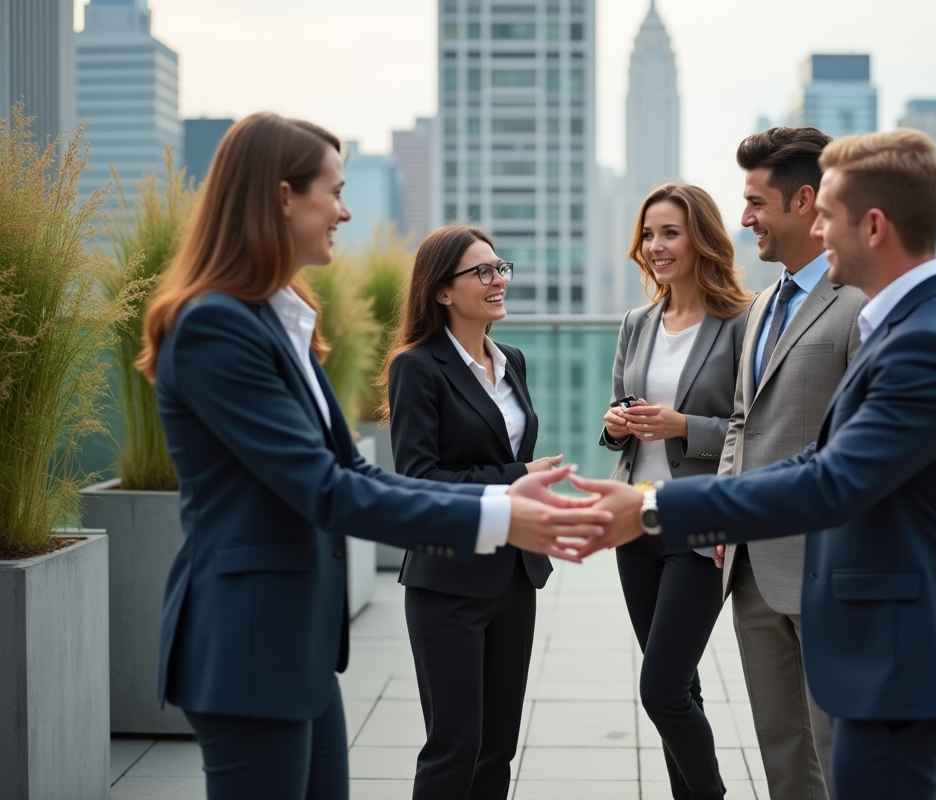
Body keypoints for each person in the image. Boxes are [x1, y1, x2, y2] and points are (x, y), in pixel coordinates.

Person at [136, 113, 609, 800]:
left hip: (295, 641)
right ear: (280, 197)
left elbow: (354, 471)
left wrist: (501, 503)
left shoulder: (279, 316)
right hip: (247, 641)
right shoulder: (216, 325)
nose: (345, 209)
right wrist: (500, 514)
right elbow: (325, 488)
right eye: (333, 190)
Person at [574, 129, 936, 800]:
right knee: (788, 766)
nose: (820, 231)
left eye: (827, 214)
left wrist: (658, 507)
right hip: (768, 573)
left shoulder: (922, 339)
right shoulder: (787, 308)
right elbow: (761, 429)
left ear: (873, 224)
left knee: (846, 773)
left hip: (875, 620)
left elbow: (834, 476)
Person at [712, 126, 865, 800]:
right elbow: (744, 421)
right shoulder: (760, 306)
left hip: (828, 571)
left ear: (805, 202)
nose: (744, 220)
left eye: (755, 203)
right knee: (781, 752)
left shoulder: (859, 306)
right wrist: (719, 513)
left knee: (842, 751)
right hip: (750, 569)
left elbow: (860, 447)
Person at [381, 225, 560, 800]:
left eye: (499, 267)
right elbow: (418, 480)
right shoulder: (417, 367)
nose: (497, 279)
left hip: (515, 573)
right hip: (448, 579)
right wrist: (517, 480)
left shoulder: (513, 360)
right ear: (441, 291)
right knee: (454, 745)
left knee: (497, 748)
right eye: (481, 272)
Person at [599, 183, 752, 800]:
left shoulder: (742, 321)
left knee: (660, 689)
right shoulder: (637, 323)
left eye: (670, 232)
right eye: (648, 233)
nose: (655, 246)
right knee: (680, 688)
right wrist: (615, 424)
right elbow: (620, 416)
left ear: (702, 239)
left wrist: (684, 426)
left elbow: (752, 427)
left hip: (701, 525)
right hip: (637, 522)